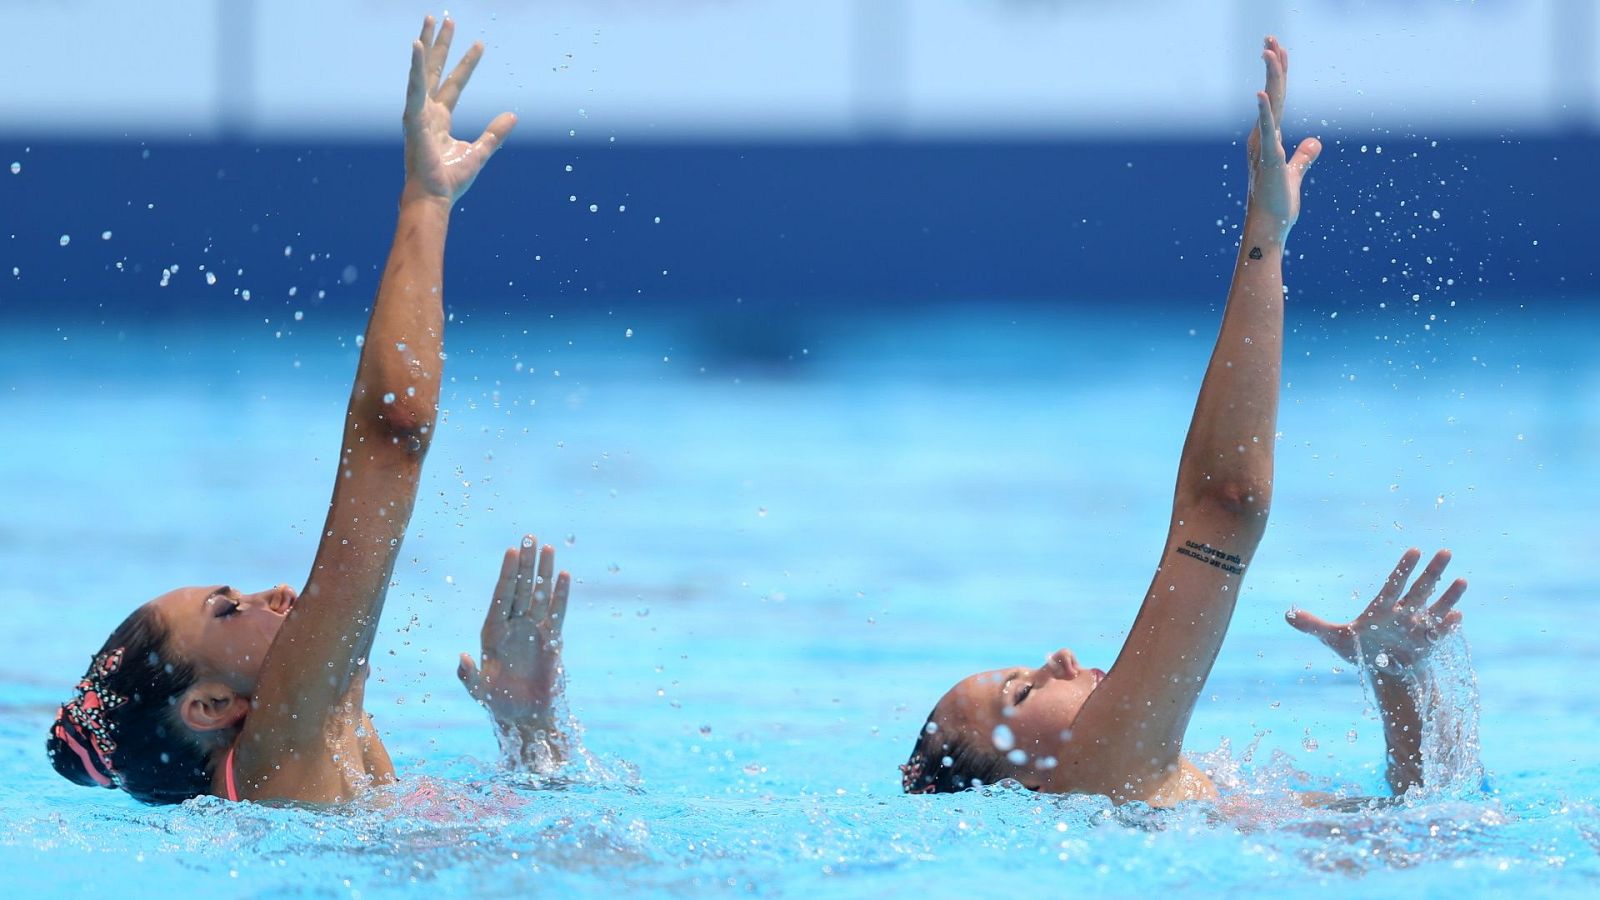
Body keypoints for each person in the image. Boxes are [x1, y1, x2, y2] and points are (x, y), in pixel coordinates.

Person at [900, 37, 1462, 805]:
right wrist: (1265, 234)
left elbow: (1408, 825)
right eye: (1022, 694)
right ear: (1022, 779)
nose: (1058, 659)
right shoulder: (1103, 770)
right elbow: (1228, 502)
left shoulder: (1178, 790)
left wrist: (1396, 682)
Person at [47, 16, 573, 804]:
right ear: (212, 708)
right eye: (229, 611)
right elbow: (393, 433)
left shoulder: (320, 749)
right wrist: (427, 200)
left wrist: (528, 728)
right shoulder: (280, 746)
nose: (274, 595)